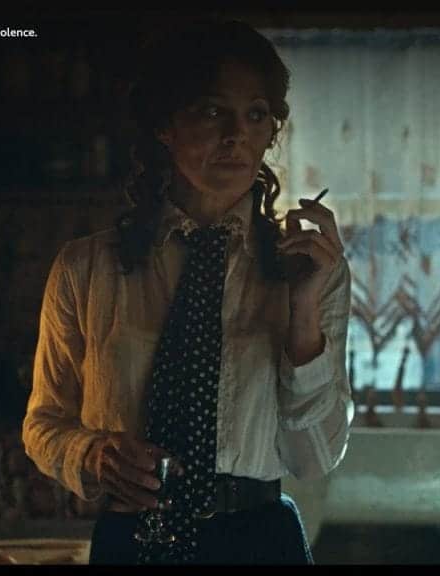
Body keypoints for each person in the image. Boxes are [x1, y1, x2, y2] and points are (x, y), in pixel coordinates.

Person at [23, 19, 353, 565]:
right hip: (134, 539)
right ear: (164, 126)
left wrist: (303, 316)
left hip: (257, 539)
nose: (235, 136)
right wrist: (94, 453)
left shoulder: (309, 269)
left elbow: (313, 459)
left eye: (255, 114)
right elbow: (43, 424)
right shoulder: (86, 268)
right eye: (211, 110)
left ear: (271, 129)